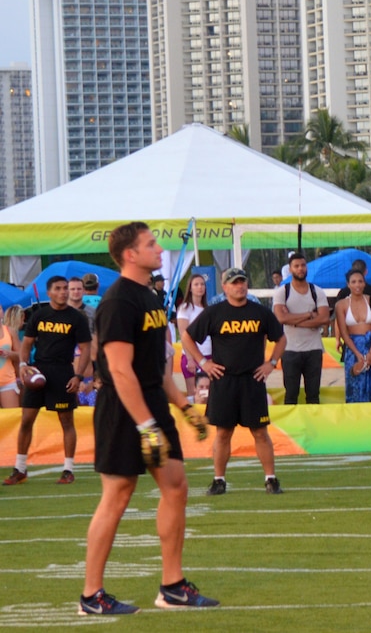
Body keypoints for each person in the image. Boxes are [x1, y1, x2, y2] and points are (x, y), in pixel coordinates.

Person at [81, 221, 215, 615]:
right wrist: (146, 426)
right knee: (117, 495)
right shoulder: (119, 301)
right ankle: (91, 595)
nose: (159, 249)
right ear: (130, 254)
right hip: (124, 410)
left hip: (153, 403)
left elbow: (157, 369)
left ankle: (172, 586)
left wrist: (185, 408)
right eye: (150, 244)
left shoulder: (151, 299)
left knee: (176, 486)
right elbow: (120, 371)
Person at [182, 266, 286, 495]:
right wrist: (203, 362)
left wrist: (271, 363)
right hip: (224, 381)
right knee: (223, 432)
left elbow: (280, 338)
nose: (240, 286)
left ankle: (271, 478)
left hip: (252, 380)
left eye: (242, 281)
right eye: (235, 282)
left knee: (260, 431)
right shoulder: (215, 312)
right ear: (225, 286)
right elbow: (187, 336)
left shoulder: (260, 312)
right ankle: (219, 480)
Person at [3, 276, 92, 486]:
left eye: (65, 288)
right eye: (59, 288)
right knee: (26, 420)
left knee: (66, 421)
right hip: (39, 370)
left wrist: (78, 376)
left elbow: (86, 348)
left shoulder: (76, 317)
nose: (63, 292)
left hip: (63, 371)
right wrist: (24, 366)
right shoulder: (39, 315)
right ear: (49, 292)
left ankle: (68, 469)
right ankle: (20, 468)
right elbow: (26, 343)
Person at [272, 251, 330, 405]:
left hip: (314, 349)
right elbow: (281, 318)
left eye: (303, 265)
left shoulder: (317, 291)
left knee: (313, 395)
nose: (300, 269)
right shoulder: (282, 292)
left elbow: (324, 318)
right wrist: (309, 315)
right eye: (296, 266)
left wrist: (294, 320)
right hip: (290, 349)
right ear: (290, 269)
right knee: (291, 395)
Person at [333, 269, 371, 402]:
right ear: (348, 284)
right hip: (352, 348)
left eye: (360, 281)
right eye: (354, 282)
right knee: (355, 385)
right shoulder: (341, 305)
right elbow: (344, 333)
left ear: (364, 283)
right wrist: (357, 354)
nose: (357, 285)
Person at [175, 273, 210, 401]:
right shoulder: (185, 308)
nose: (200, 287)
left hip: (208, 355)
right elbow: (184, 334)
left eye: (202, 284)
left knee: (208, 393)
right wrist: (190, 359)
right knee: (194, 393)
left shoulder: (207, 309)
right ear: (190, 288)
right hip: (192, 356)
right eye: (196, 284)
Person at [0, 306, 21, 409]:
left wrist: (9, 354)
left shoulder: (10, 331)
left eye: (0, 309)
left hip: (7, 381)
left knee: (12, 417)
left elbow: (21, 355)